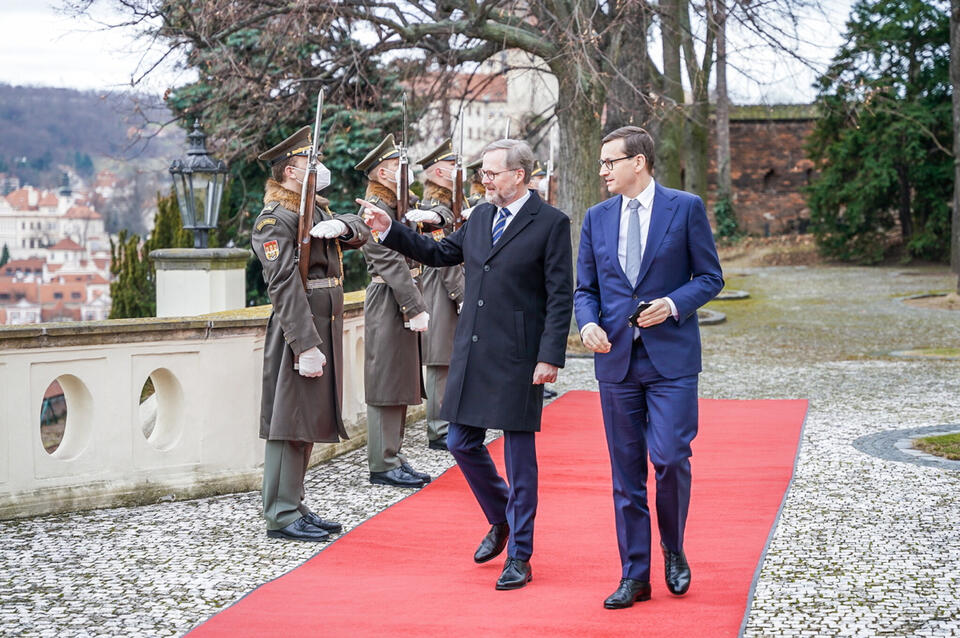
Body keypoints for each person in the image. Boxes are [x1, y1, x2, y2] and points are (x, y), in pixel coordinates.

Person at [359, 138, 573, 591]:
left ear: (519, 175)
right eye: (484, 173)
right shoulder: (480, 215)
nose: (484, 180)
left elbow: (560, 295)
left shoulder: (551, 223)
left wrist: (550, 355)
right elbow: (440, 254)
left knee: (519, 458)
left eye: (492, 173)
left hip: (519, 354)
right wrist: (388, 229)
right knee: (459, 442)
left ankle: (520, 555)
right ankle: (501, 517)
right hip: (473, 348)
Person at [574, 126, 723, 608]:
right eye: (600, 164)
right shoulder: (596, 218)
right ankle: (634, 574)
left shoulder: (685, 208)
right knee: (625, 474)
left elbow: (710, 277)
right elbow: (586, 289)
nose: (602, 171)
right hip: (615, 362)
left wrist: (674, 304)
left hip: (672, 361)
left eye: (609, 162)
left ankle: (673, 548)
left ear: (638, 162)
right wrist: (588, 323)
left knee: (671, 458)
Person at [253, 125, 371, 542]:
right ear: (290, 171)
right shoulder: (275, 220)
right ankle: (281, 514)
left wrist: (344, 226)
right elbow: (283, 284)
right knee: (289, 422)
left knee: (306, 422)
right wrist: (304, 344)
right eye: (310, 163)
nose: (318, 168)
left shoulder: (315, 211)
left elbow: (361, 229)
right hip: (297, 329)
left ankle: (295, 503)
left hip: (323, 323)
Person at [355, 134, 432, 488]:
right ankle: (382, 462)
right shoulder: (373, 210)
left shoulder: (397, 206)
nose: (408, 172)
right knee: (386, 380)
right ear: (384, 172)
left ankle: (394, 455)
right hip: (390, 298)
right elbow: (388, 261)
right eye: (400, 167)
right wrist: (413, 305)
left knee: (401, 378)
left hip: (402, 295)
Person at [403, 139, 465, 451]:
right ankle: (438, 427)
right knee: (441, 359)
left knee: (452, 357)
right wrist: (461, 294)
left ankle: (449, 421)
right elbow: (445, 259)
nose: (459, 171)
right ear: (439, 171)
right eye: (453, 166)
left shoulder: (452, 204)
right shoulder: (430, 210)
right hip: (440, 288)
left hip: (451, 286)